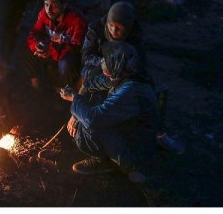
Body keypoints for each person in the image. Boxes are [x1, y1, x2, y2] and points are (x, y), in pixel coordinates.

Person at [80, 1, 184, 155]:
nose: (114, 31)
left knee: (153, 91)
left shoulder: (135, 34)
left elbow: (140, 63)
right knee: (92, 82)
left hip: (124, 71)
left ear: (128, 28)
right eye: (111, 26)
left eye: (119, 28)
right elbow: (86, 55)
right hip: (99, 68)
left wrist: (125, 69)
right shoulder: (96, 28)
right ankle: (90, 127)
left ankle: (159, 134)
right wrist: (103, 62)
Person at [59, 41, 159, 184]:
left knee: (85, 126)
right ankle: (114, 158)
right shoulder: (125, 74)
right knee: (91, 102)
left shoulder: (131, 90)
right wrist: (75, 112)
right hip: (130, 133)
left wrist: (75, 99)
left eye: (107, 62)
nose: (103, 62)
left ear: (115, 67)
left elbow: (93, 119)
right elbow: (90, 84)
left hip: (135, 149)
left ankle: (116, 164)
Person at [22, 0, 87, 92]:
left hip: (67, 54)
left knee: (66, 65)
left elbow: (77, 44)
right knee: (26, 49)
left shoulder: (76, 19)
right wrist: (37, 46)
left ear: (64, 5)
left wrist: (58, 43)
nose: (49, 9)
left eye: (54, 5)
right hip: (50, 51)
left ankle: (62, 93)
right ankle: (35, 90)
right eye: (46, 4)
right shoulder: (44, 14)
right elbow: (34, 33)